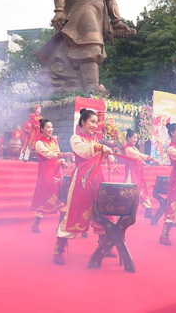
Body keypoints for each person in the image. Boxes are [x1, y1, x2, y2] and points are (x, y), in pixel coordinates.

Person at [53, 108, 114, 265]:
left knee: (102, 210)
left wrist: (109, 156)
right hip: (82, 181)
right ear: (83, 122)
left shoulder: (94, 140)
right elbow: (85, 153)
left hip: (97, 179)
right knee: (75, 212)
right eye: (92, 122)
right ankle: (59, 248)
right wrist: (100, 148)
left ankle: (103, 243)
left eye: (96, 122)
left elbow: (97, 154)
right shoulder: (76, 139)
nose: (95, 125)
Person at [31, 119, 67, 233]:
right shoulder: (39, 143)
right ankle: (36, 224)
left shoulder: (54, 141)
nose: (50, 129)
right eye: (47, 127)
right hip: (46, 174)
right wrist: (61, 155)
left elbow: (57, 152)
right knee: (45, 197)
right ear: (42, 129)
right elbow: (48, 154)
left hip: (57, 172)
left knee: (61, 199)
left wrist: (62, 161)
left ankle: (60, 226)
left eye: (51, 127)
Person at [123, 129, 155, 219]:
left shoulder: (133, 148)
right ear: (128, 138)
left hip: (137, 172)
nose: (135, 140)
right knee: (131, 192)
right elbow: (139, 155)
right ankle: (124, 212)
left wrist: (146, 161)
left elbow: (139, 155)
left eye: (136, 138)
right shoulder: (128, 149)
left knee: (140, 190)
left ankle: (147, 211)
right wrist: (149, 158)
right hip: (132, 173)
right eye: (134, 138)